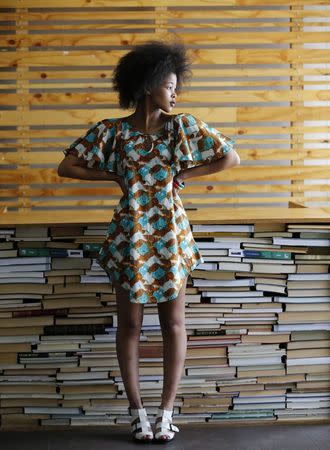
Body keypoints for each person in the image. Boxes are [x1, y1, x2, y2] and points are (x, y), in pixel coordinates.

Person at [58, 39, 240, 444]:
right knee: (131, 326)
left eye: (176, 85)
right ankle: (137, 413)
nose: (175, 93)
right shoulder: (113, 132)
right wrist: (112, 176)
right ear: (146, 86)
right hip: (131, 235)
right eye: (170, 85)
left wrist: (184, 178)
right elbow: (66, 166)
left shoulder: (183, 127)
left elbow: (230, 157)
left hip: (171, 234)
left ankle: (165, 413)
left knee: (175, 324)